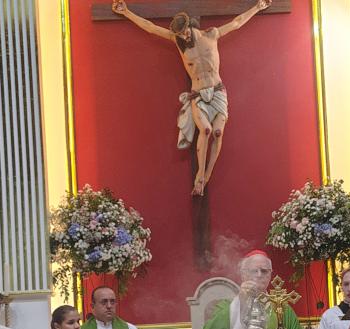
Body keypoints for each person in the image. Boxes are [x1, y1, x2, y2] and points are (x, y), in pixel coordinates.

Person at [111, 0, 272, 196]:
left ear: (191, 25)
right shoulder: (179, 43)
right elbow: (150, 27)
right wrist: (126, 12)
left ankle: (206, 176)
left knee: (218, 133)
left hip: (217, 91)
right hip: (198, 94)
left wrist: (257, 7)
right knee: (206, 130)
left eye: (185, 32)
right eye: (180, 35)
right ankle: (199, 177)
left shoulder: (211, 34)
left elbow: (236, 23)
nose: (184, 37)